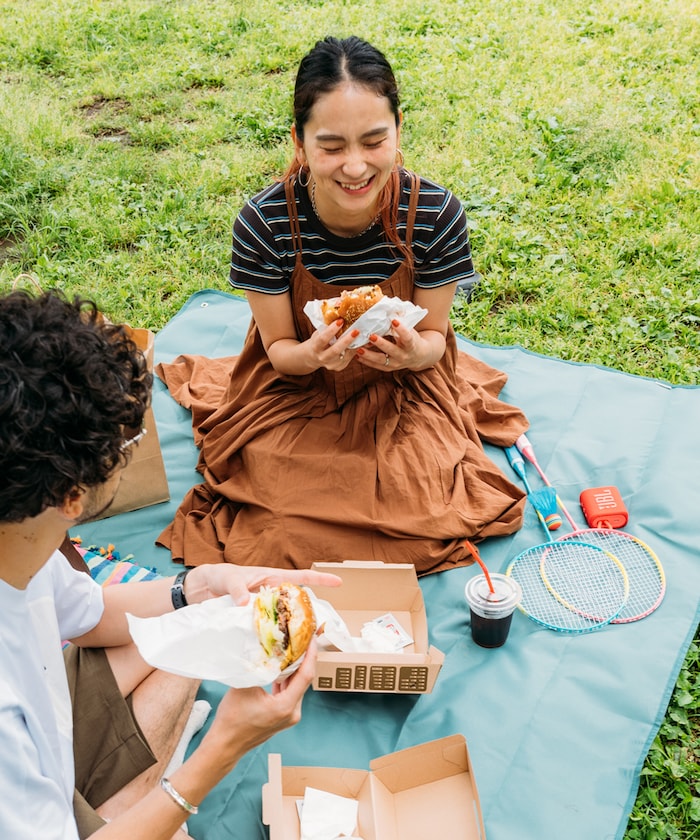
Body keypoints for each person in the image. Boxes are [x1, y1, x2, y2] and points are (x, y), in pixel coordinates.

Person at [157, 35, 529, 576]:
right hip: (294, 389)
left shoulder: (435, 213)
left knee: (425, 501)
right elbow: (279, 349)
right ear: (299, 141)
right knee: (278, 514)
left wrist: (412, 355)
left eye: (374, 140)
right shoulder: (265, 223)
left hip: (402, 388)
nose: (354, 167)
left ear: (399, 129)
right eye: (331, 147)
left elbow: (434, 342)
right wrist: (312, 357)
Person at [0, 288, 340, 840]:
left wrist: (200, 586)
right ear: (70, 496)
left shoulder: (21, 540)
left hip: (47, 736)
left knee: (190, 632)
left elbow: (88, 616)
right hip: (25, 786)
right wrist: (224, 746)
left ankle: (116, 808)